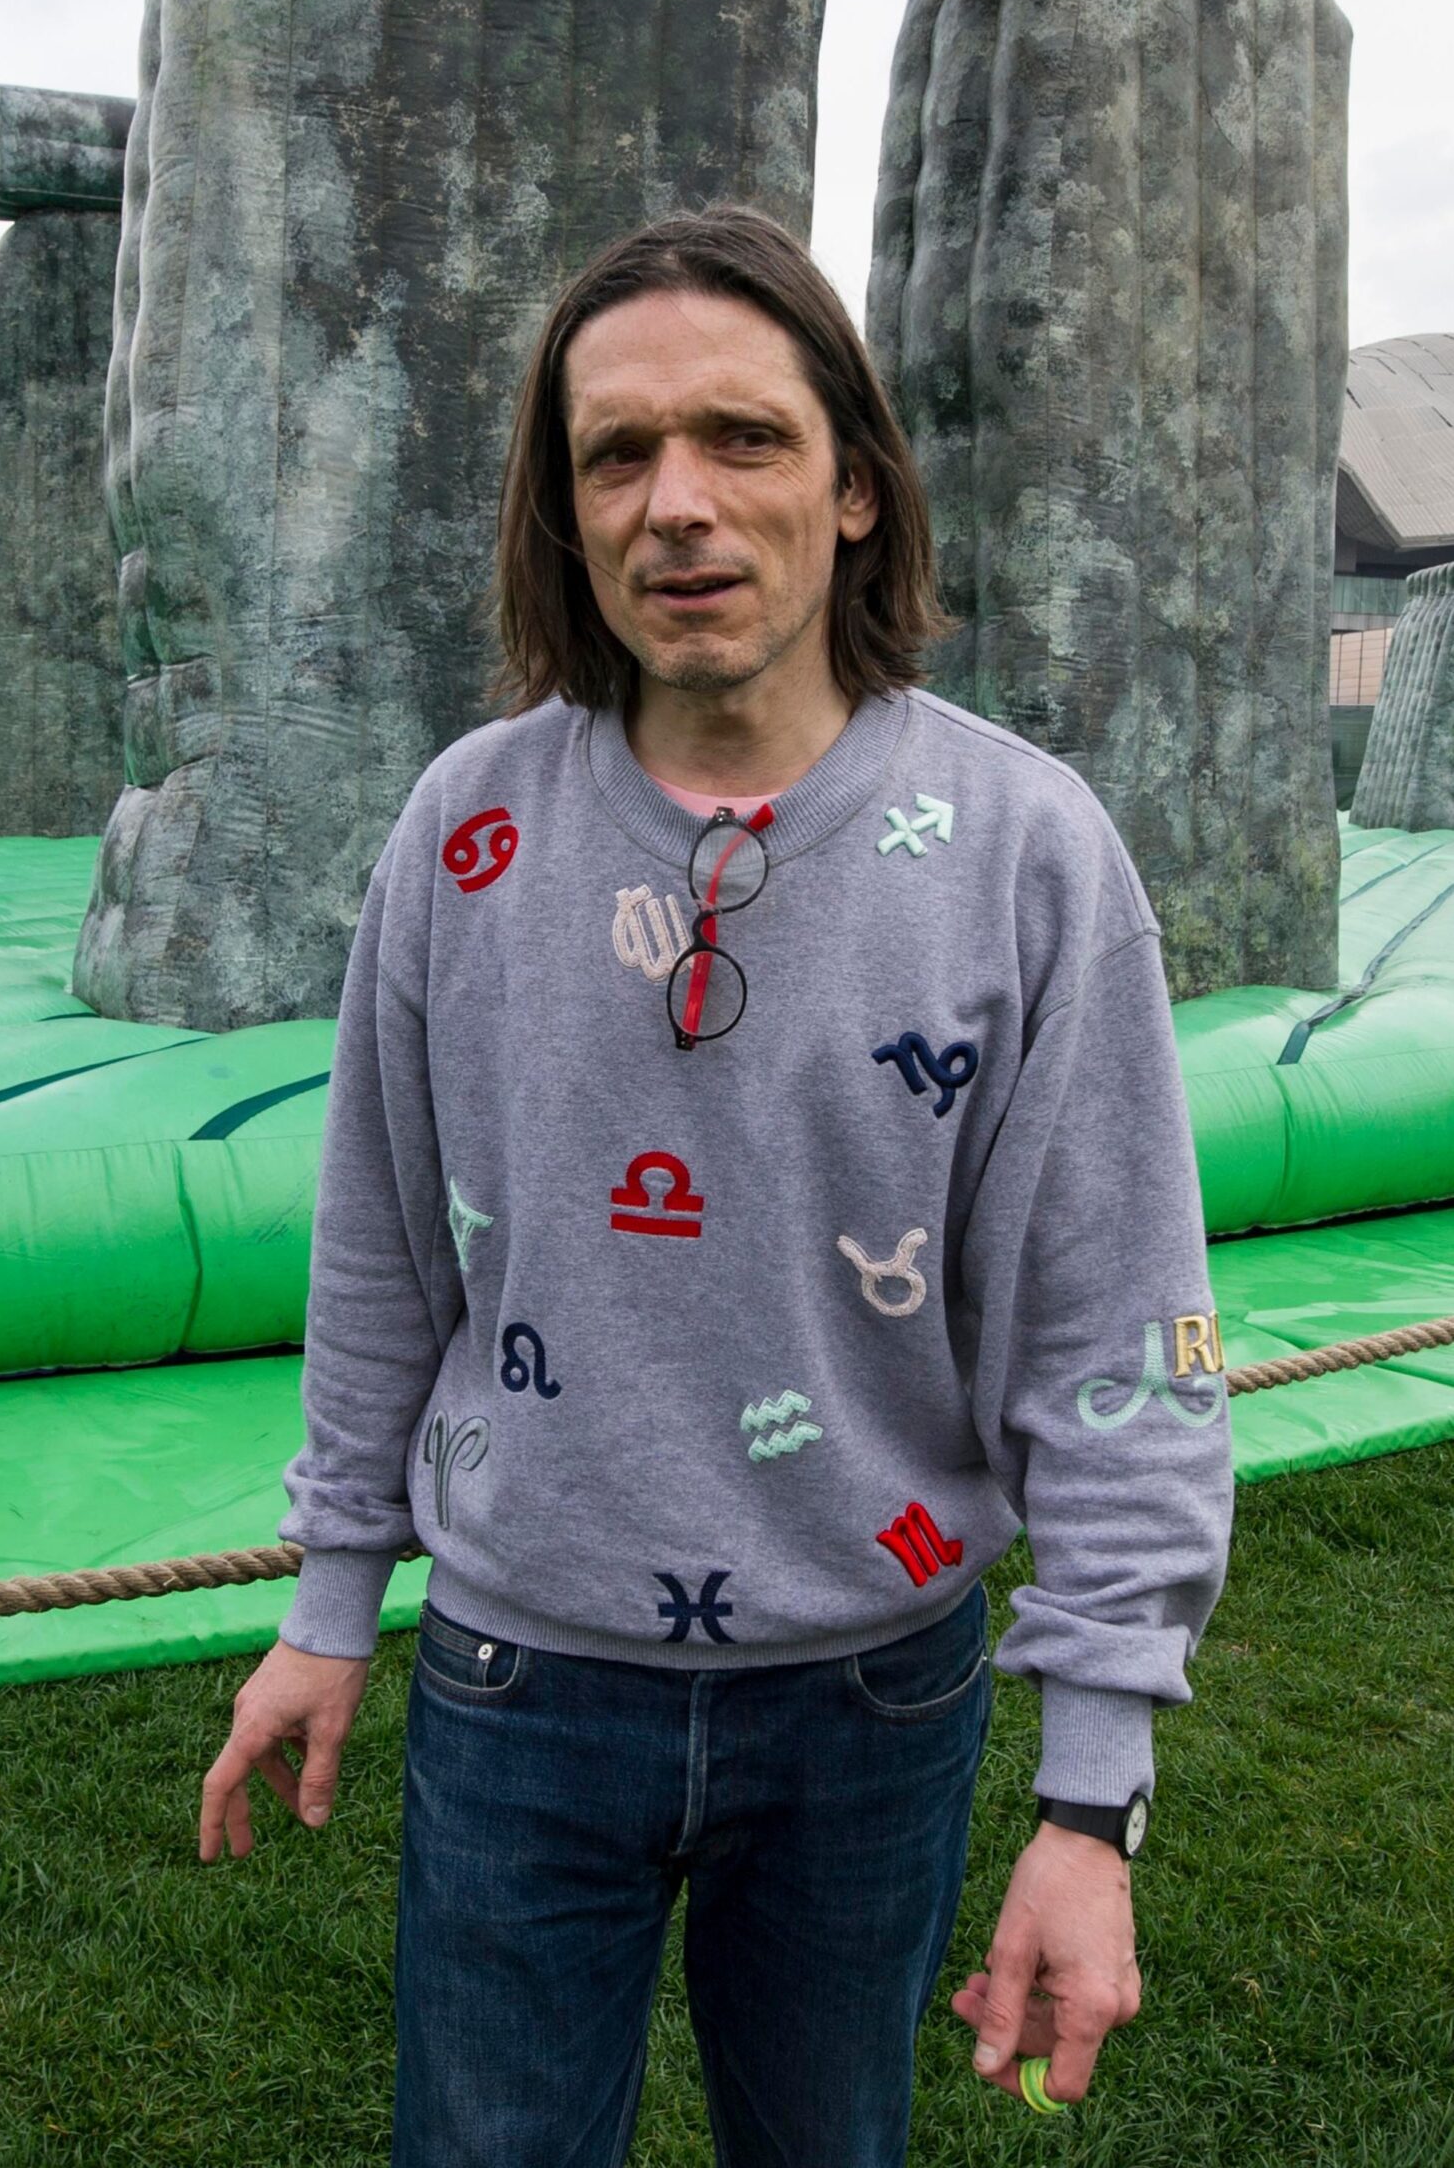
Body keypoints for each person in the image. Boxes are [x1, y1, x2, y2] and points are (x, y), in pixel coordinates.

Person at [200, 207, 1233, 2166]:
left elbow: (1120, 1326)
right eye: (617, 451)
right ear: (563, 507)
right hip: (520, 1679)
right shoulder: (466, 831)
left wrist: (1091, 1798)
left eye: (742, 437)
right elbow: (381, 1253)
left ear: (853, 483)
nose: (677, 501)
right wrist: (335, 1596)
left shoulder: (1024, 851)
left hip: (876, 1697)